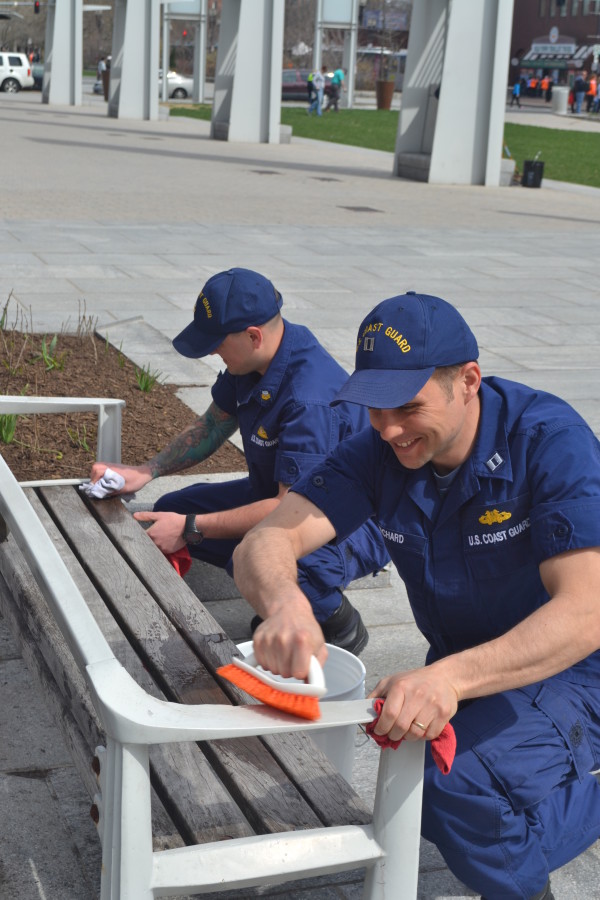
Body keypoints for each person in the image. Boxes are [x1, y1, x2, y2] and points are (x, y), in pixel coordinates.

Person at [233, 291, 600, 900]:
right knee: (430, 797)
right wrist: (286, 602)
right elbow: (265, 541)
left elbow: (586, 611)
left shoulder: (550, 440)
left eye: (407, 406)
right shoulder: (381, 450)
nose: (390, 429)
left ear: (468, 382)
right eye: (375, 408)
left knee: (447, 788)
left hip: (573, 668)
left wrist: (450, 681)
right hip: (473, 663)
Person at [90, 268, 389, 655]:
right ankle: (284, 603)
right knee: (169, 509)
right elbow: (214, 423)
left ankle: (336, 621)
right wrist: (147, 471)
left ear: (253, 335)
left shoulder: (310, 399)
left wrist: (191, 527)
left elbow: (289, 510)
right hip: (280, 497)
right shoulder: (254, 360)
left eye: (217, 343)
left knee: (257, 551)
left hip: (342, 523)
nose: (213, 351)